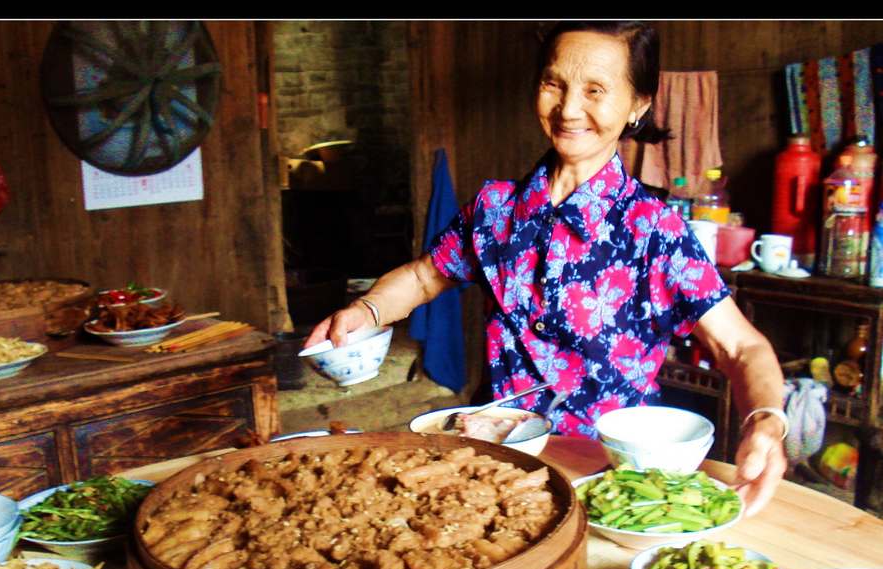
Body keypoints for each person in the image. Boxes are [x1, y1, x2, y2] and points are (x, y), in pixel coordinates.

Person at [305, 21, 786, 516]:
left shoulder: (654, 230)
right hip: (495, 459)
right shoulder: (496, 208)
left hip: (606, 480)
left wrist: (766, 419)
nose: (569, 109)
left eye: (595, 90)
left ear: (638, 103)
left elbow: (742, 346)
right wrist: (367, 309)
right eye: (554, 84)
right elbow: (426, 276)